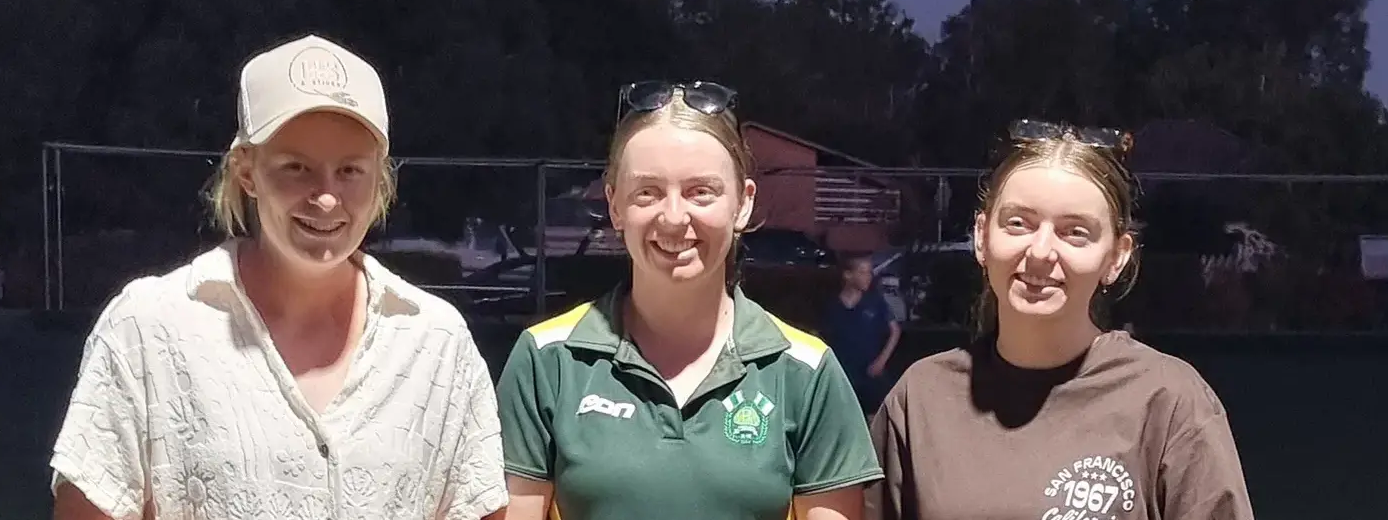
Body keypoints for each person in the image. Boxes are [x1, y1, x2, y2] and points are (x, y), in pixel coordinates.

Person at [49, 34, 507, 520]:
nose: (326, 197)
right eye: (296, 168)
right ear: (247, 171)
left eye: (350, 170)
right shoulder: (147, 330)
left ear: (380, 177)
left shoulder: (437, 342)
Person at [496, 80, 881, 520]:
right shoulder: (547, 361)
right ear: (614, 204)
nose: (675, 218)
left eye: (701, 191)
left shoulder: (806, 374)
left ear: (744, 204)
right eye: (648, 192)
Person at [867, 120, 1255, 520]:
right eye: (1018, 223)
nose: (1040, 251)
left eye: (1075, 232)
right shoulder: (921, 398)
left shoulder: (1169, 401)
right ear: (982, 236)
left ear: (1117, 256)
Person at [821, 253, 901, 417]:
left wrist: (881, 361)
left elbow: (895, 330)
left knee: (875, 417)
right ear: (848, 275)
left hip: (870, 373)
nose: (868, 277)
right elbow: (823, 338)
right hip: (843, 374)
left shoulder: (875, 302)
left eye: (870, 272)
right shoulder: (832, 306)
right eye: (863, 272)